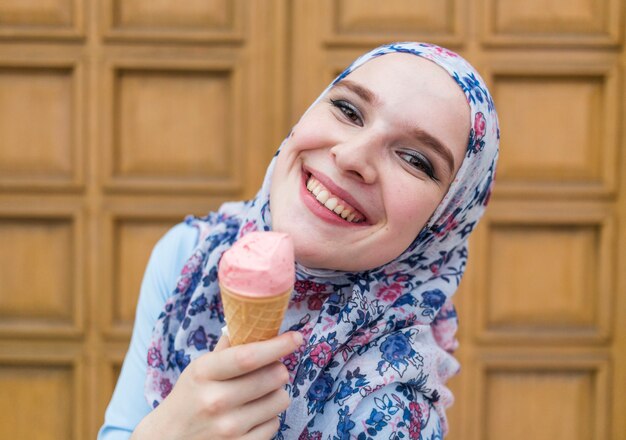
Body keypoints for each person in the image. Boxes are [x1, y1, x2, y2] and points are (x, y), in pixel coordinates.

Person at [99, 42, 499, 439]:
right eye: (348, 110)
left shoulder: (396, 412)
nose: (351, 157)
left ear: (442, 224)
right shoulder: (191, 254)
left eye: (415, 160)